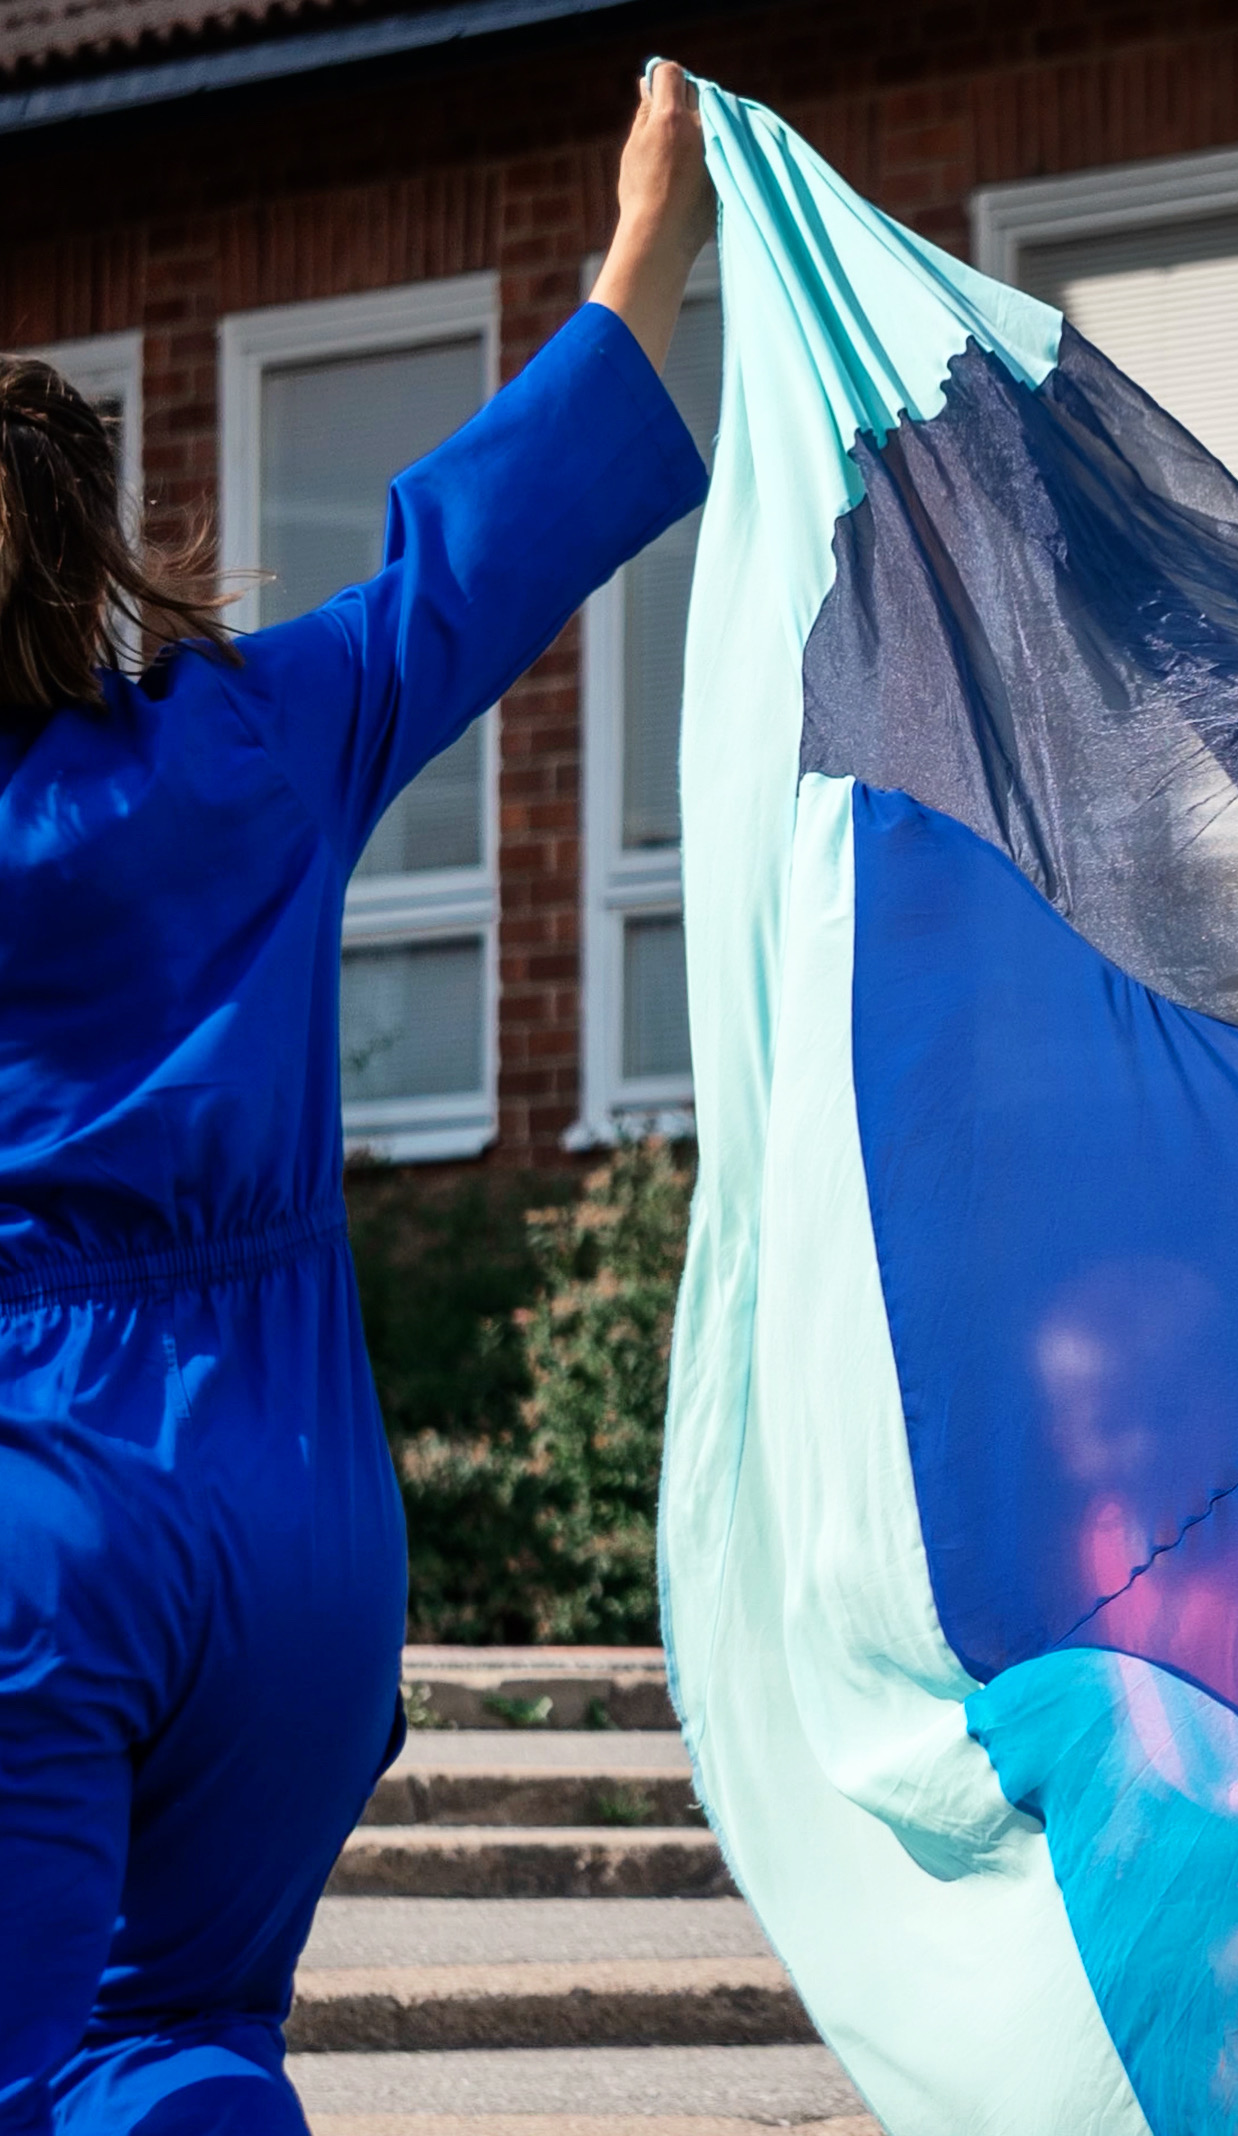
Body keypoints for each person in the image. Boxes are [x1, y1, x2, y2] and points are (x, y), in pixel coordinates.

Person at [0, 64, 712, 2135]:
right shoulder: (255, 737)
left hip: (37, 1506)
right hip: (296, 1517)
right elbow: (466, 560)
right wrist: (648, 240)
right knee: (184, 2035)